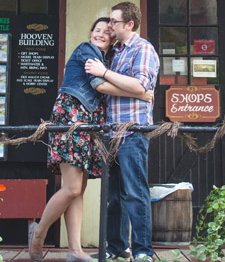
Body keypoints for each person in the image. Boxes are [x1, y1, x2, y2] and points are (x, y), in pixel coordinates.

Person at [29, 17, 153, 262]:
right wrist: (141, 92)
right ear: (91, 33)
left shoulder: (107, 60)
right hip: (71, 115)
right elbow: (99, 85)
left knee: (79, 189)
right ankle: (39, 232)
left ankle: (75, 251)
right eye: (97, 30)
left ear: (113, 37)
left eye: (106, 32)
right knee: (72, 188)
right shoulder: (87, 50)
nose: (100, 34)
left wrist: (137, 90)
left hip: (90, 122)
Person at [85, 1, 160, 262]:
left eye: (114, 22)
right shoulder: (114, 52)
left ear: (129, 24)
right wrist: (137, 90)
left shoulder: (143, 49)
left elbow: (140, 85)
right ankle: (117, 247)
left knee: (135, 193)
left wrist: (105, 73)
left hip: (132, 132)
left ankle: (143, 251)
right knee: (113, 195)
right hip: (110, 132)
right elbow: (132, 89)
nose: (110, 26)